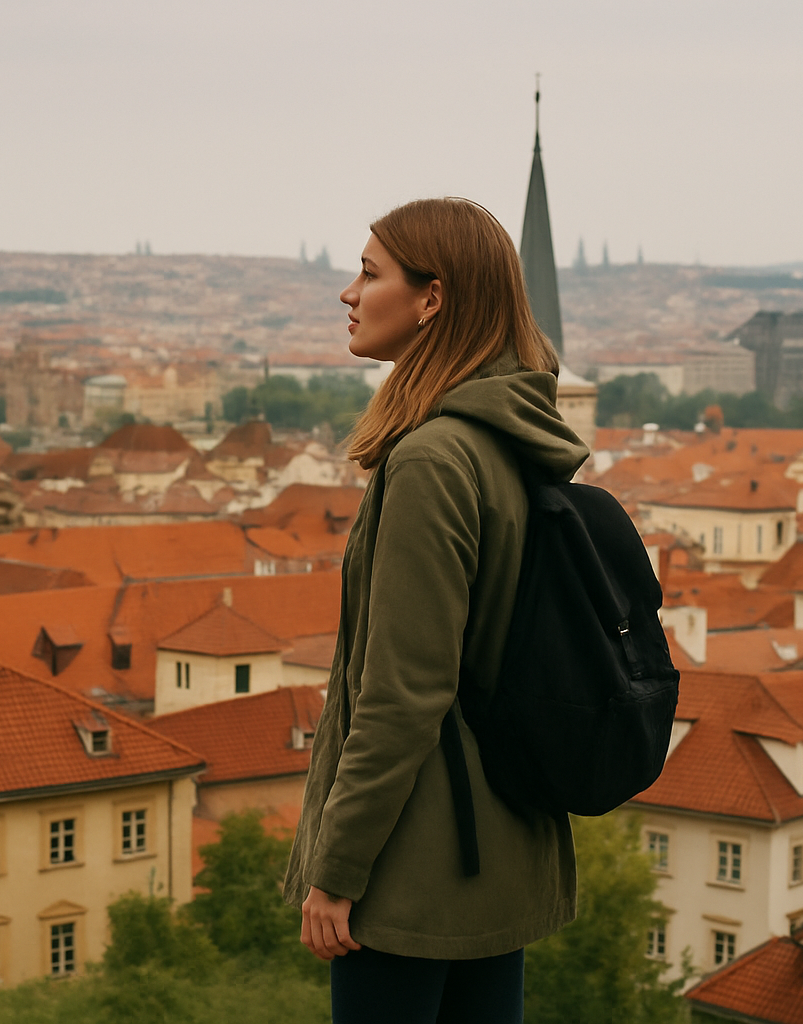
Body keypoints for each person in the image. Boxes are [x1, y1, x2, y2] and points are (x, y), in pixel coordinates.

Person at [282, 197, 588, 1023]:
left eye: (370, 273)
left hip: (414, 865)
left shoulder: (432, 459)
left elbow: (402, 695)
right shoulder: (514, 438)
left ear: (432, 298)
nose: (349, 293)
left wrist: (336, 870)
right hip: (501, 842)